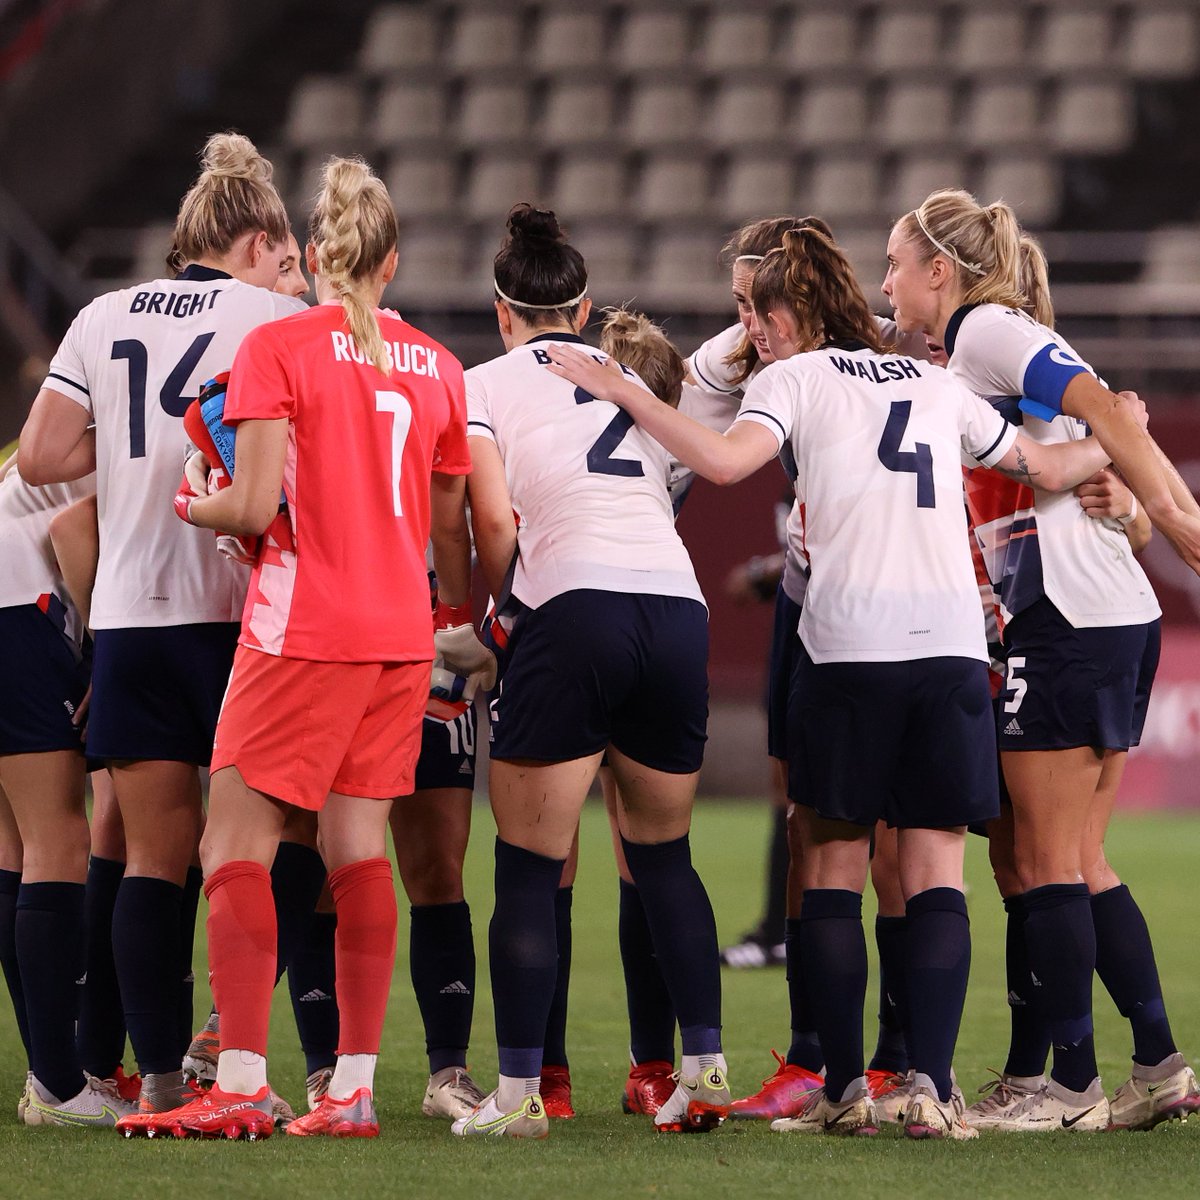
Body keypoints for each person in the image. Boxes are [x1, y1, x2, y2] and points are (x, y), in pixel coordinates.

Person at [546, 225, 1122, 1140]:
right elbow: (1049, 464)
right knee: (935, 868)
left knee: (833, 866)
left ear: (783, 317)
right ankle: (928, 1090)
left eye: (754, 317)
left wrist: (623, 391)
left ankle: (845, 1086)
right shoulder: (936, 382)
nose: (750, 335)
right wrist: (1110, 438)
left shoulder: (792, 379)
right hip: (947, 651)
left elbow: (726, 461)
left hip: (850, 647)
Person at [116, 154, 486, 1141]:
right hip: (402, 633)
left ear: (316, 253)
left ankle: (237, 1079)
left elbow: (250, 501)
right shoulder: (441, 369)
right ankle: (350, 1091)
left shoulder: (283, 346)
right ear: (393, 260)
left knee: (231, 844)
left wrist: (196, 503)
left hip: (303, 625)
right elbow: (449, 533)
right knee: (358, 851)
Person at [883, 189, 1200, 1131]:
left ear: (942, 271)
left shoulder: (985, 327)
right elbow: (1085, 431)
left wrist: (1179, 520)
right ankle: (1158, 1066)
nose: (886, 280)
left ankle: (1067, 1087)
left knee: (1042, 857)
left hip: (1069, 619)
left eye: (897, 263)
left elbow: (1106, 408)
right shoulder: (965, 346)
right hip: (1099, 614)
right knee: (1069, 857)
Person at [18, 131, 301, 1117]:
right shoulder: (277, 313)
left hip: (134, 614)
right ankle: (238, 1061)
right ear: (260, 235)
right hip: (247, 615)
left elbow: (46, 453)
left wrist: (135, 448)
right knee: (268, 845)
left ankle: (160, 1084)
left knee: (146, 858)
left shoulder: (102, 314)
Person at [455, 204, 727, 1140]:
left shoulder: (481, 382)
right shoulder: (627, 374)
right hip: (675, 606)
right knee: (664, 859)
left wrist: (498, 616)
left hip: (574, 605)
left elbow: (494, 524)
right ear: (585, 308)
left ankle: (524, 1092)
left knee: (529, 871)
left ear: (503, 311)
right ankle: (702, 1066)